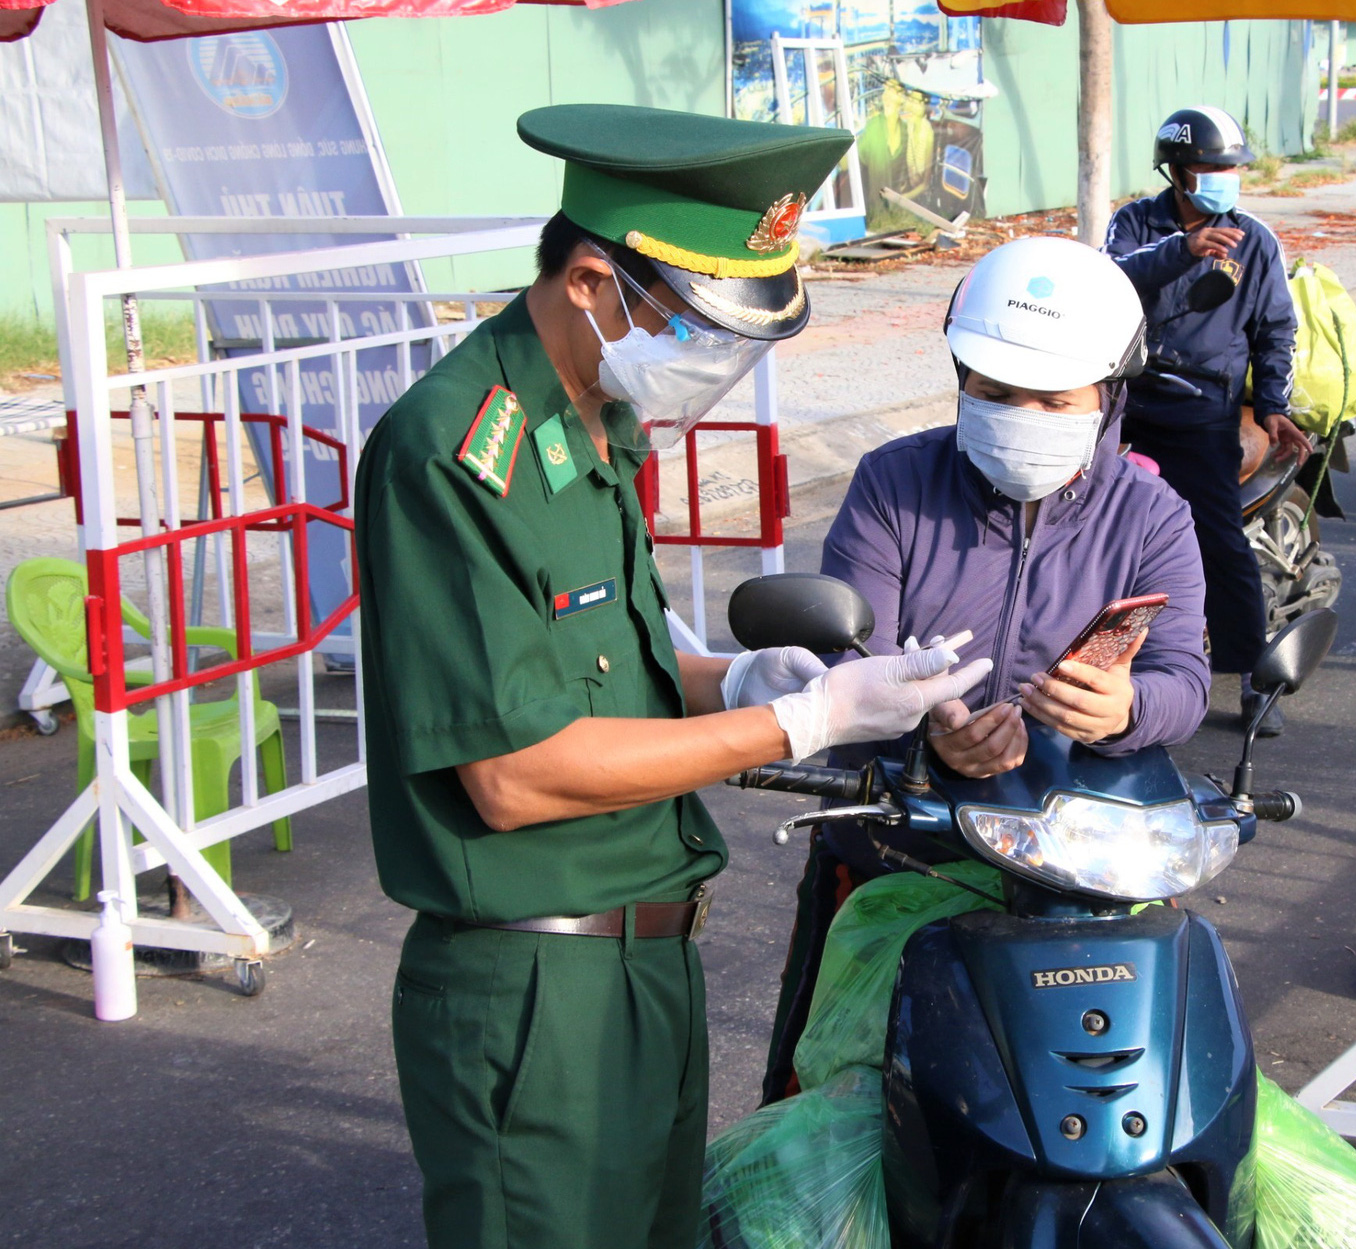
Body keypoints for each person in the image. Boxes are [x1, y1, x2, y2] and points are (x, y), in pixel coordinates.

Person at [354, 104, 990, 1249]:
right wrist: (800, 723)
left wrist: (736, 680)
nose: (720, 362)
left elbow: (608, 670)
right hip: (533, 984)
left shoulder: (597, 421)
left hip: (648, 963)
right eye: (699, 327)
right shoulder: (454, 452)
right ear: (594, 281)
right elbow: (514, 769)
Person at [760, 234, 1212, 1103]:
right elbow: (847, 655)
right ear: (960, 378)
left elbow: (1185, 681)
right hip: (897, 844)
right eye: (996, 392)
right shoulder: (893, 485)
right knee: (839, 1108)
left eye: (1052, 399)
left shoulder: (1152, 516)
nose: (1022, 415)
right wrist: (931, 730)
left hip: (1082, 874)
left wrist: (1123, 707)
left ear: (1107, 399)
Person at [1103, 105, 1304, 733]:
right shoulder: (1136, 223)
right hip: (1128, 400)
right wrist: (1181, 251)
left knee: (1217, 542)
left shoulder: (1257, 241)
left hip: (1202, 410)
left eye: (1231, 168)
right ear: (1177, 172)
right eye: (1209, 167)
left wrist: (1271, 406)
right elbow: (1109, 285)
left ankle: (1252, 672)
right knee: (1089, 526)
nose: (1223, 177)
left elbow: (1276, 331)